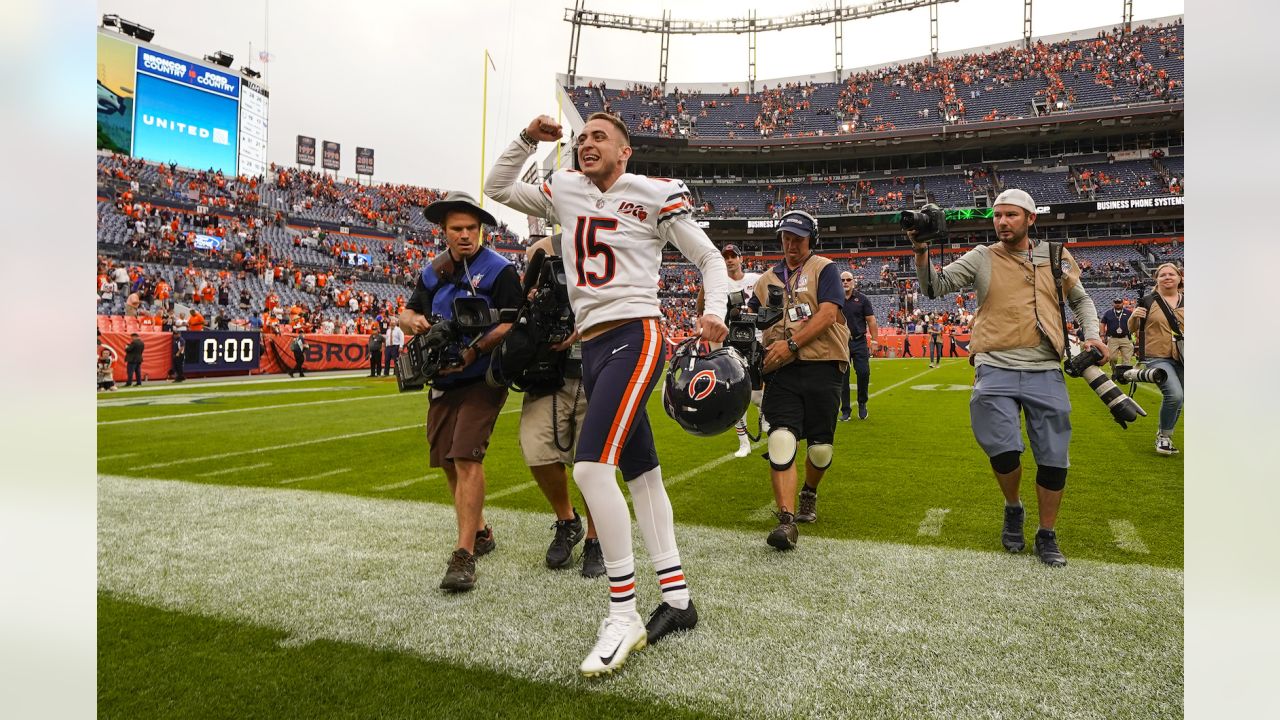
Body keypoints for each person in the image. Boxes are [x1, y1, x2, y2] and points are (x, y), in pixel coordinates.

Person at [486, 112, 729, 676]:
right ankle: (677, 599)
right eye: (580, 138)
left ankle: (623, 613)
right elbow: (498, 187)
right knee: (642, 473)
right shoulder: (565, 188)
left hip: (635, 333)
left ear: (626, 152)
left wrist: (713, 310)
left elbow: (710, 258)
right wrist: (527, 139)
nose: (586, 144)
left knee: (593, 470)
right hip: (591, 348)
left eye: (599, 137)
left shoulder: (652, 194)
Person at [911, 188, 1108, 567]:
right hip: (994, 365)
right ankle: (1013, 507)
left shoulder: (1054, 256)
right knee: (1003, 452)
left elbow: (1081, 300)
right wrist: (921, 250)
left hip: (1045, 368)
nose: (1002, 222)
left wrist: (1092, 334)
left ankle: (1047, 533)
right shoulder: (982, 257)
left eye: (1011, 215)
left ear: (1030, 219)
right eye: (998, 215)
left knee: (1053, 458)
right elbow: (934, 287)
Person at [399, 191, 523, 594]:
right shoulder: (432, 271)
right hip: (442, 378)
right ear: (444, 232)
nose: (466, 235)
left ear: (481, 229)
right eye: (457, 229)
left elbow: (511, 322)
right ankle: (482, 531)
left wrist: (475, 349)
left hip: (483, 376)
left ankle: (464, 553)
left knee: (466, 456)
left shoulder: (501, 269)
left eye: (472, 228)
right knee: (447, 461)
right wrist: (416, 322)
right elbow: (406, 312)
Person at [750, 210, 850, 546]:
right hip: (782, 371)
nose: (792, 245)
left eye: (799, 239)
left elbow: (829, 313)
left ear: (812, 240)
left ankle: (810, 490)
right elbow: (748, 318)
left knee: (820, 449)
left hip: (823, 363)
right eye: (787, 238)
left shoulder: (824, 268)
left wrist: (791, 344)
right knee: (781, 439)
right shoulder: (765, 281)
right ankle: (786, 520)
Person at [518, 234, 604, 578]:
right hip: (549, 368)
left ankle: (597, 539)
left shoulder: (610, 240)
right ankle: (567, 520)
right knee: (536, 448)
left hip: (597, 367)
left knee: (594, 463)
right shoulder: (541, 251)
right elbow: (525, 303)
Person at [696, 243, 766, 457]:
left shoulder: (756, 279)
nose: (729, 260)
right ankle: (743, 442)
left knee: (758, 394)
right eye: (725, 256)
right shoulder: (717, 282)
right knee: (736, 393)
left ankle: (766, 422)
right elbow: (701, 309)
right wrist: (707, 282)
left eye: (733, 256)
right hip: (728, 342)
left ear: (740, 258)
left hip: (755, 339)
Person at [1129, 263, 1184, 455]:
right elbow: (1132, 328)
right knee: (1174, 395)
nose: (1167, 277)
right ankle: (1164, 437)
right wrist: (1134, 316)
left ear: (1179, 278)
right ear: (1157, 279)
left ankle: (1165, 434)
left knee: (1180, 398)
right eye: (1163, 275)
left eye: (1171, 274)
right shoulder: (1148, 301)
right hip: (1157, 356)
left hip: (1184, 357)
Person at [838, 272, 878, 421]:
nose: (845, 282)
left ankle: (862, 403)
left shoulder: (862, 299)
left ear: (853, 281)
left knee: (863, 373)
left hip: (859, 341)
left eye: (848, 279)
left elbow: (871, 320)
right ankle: (846, 410)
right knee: (843, 377)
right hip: (841, 342)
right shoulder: (835, 300)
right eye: (842, 280)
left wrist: (874, 340)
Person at [1099, 297, 1135, 373]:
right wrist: (1102, 335)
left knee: (1126, 358)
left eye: (1119, 303)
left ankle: (1124, 375)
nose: (1118, 304)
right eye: (1116, 303)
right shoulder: (1108, 313)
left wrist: (1135, 333)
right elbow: (1102, 323)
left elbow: (1134, 323)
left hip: (1125, 338)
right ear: (1113, 303)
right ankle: (1114, 372)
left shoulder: (1129, 313)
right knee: (1112, 358)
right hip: (1113, 338)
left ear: (1122, 303)